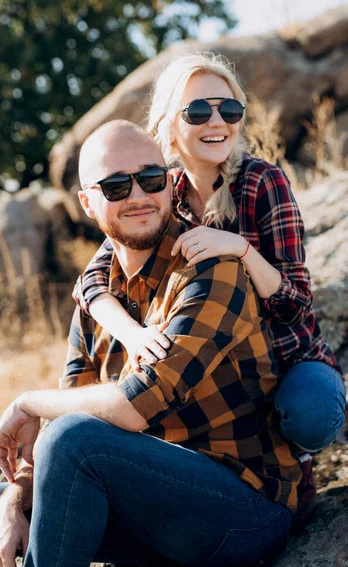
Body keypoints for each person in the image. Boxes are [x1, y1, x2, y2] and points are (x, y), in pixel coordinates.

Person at [0, 120, 301, 567]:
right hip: (149, 503)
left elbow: (134, 408)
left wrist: (30, 402)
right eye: (116, 186)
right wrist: (15, 497)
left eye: (151, 179)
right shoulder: (96, 300)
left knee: (79, 439)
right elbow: (68, 409)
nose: (138, 195)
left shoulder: (211, 269)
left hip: (244, 505)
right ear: (89, 203)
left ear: (172, 183)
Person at [73, 53, 346, 514]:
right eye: (198, 112)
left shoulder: (262, 181)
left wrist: (239, 248)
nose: (216, 121)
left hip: (288, 355)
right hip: (219, 364)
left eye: (229, 109)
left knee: (310, 416)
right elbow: (92, 280)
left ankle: (296, 467)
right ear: (170, 126)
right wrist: (133, 335)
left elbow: (296, 303)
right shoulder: (158, 189)